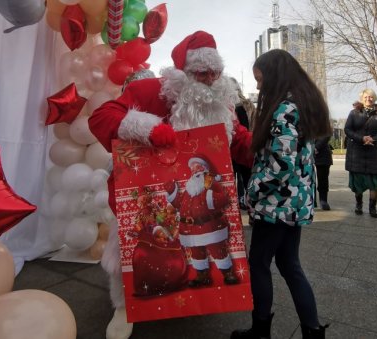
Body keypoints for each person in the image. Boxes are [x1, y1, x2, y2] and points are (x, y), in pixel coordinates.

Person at [88, 30, 253, 339]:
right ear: (184, 73)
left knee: (195, 250)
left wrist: (266, 147)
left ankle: (193, 295)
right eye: (201, 73)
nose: (209, 80)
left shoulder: (222, 104)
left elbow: (240, 140)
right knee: (133, 249)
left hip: (196, 199)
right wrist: (146, 128)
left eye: (214, 73)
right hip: (149, 190)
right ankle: (124, 306)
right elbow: (102, 117)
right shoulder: (152, 91)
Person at [231, 49, 330, 339]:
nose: (258, 87)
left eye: (260, 80)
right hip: (294, 203)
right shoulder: (301, 104)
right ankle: (312, 331)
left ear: (274, 76)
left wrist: (251, 192)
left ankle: (260, 330)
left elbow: (281, 164)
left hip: (275, 203)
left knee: (260, 264)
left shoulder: (284, 108)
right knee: (289, 264)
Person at [164, 156, 239, 287]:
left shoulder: (211, 184)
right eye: (192, 169)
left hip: (210, 226)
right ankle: (202, 276)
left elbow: (224, 199)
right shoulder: (189, 189)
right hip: (191, 229)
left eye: (197, 167)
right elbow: (179, 204)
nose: (194, 171)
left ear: (204, 169)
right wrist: (172, 191)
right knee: (197, 253)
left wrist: (209, 197)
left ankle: (228, 273)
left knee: (218, 250)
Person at [344, 88, 377, 218]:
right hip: (357, 152)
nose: (368, 99)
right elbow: (347, 129)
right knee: (358, 181)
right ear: (361, 98)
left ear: (374, 98)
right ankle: (358, 204)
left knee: (374, 181)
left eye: (370, 97)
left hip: (373, 152)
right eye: (365, 97)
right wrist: (361, 138)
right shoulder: (354, 113)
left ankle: (372, 207)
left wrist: (374, 139)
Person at [230, 77, 255, 210]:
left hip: (237, 146)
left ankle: (237, 204)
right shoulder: (247, 104)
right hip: (247, 146)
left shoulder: (235, 107)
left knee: (233, 180)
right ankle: (250, 207)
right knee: (247, 179)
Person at [314, 136, 333, 210]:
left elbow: (326, 134)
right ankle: (312, 201)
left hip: (323, 155)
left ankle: (323, 200)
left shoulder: (324, 124)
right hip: (305, 153)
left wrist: (316, 147)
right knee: (308, 180)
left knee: (323, 179)